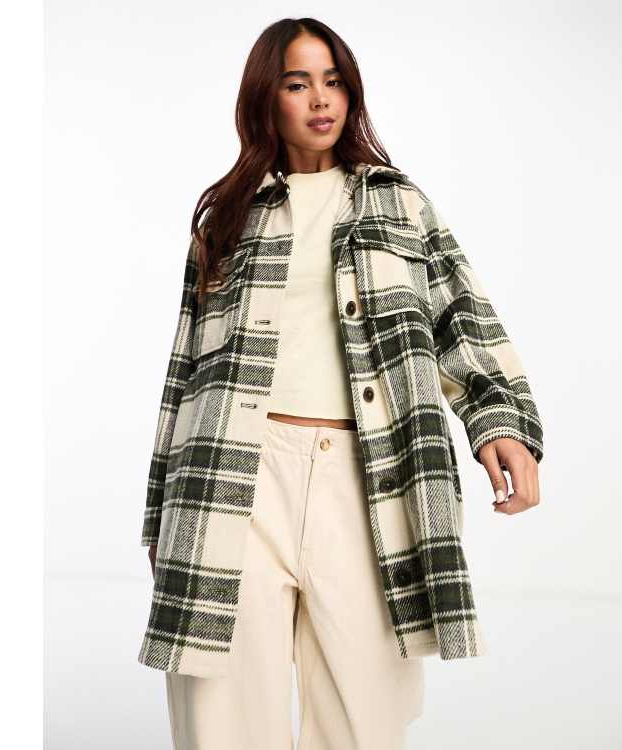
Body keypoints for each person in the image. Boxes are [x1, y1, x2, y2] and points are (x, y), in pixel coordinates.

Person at [138, 16, 544, 750]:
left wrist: (501, 423)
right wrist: (162, 512)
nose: (321, 99)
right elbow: (185, 370)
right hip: (234, 478)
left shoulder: (398, 202)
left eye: (334, 81)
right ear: (266, 97)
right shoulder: (227, 218)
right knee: (222, 716)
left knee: (367, 717)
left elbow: (461, 318)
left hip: (365, 477)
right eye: (297, 83)